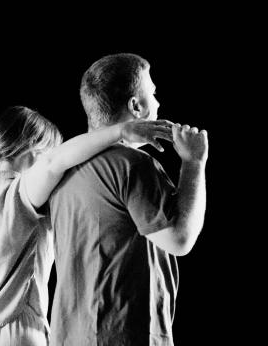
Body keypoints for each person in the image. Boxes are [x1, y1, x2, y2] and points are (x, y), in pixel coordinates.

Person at [0, 105, 174, 346]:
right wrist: (122, 131)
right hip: (9, 333)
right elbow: (53, 163)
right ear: (35, 148)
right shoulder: (17, 194)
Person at [48, 53, 209, 346]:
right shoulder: (134, 164)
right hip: (125, 334)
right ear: (136, 105)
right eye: (154, 94)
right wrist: (194, 163)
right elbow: (180, 240)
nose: (158, 103)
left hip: (66, 335)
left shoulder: (62, 168)